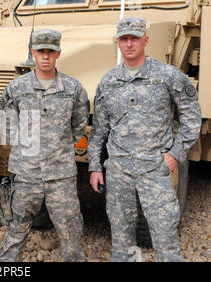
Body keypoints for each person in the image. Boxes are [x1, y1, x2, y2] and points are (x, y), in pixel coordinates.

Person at [88, 17, 202, 262]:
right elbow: (99, 130)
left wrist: (175, 154)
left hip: (154, 170)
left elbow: (192, 116)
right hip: (118, 172)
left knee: (165, 237)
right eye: (124, 39)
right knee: (121, 240)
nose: (129, 44)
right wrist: (95, 167)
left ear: (145, 40)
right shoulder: (108, 81)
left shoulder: (168, 76)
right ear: (118, 42)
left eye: (134, 38)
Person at [0, 29, 89, 262]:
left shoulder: (73, 88)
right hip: (26, 173)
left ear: (58, 53)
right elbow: (8, 125)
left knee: (71, 229)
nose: (45, 56)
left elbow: (79, 124)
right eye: (40, 51)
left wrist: (57, 146)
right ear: (33, 53)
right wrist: (26, 148)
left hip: (61, 175)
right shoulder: (16, 88)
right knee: (17, 228)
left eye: (50, 51)